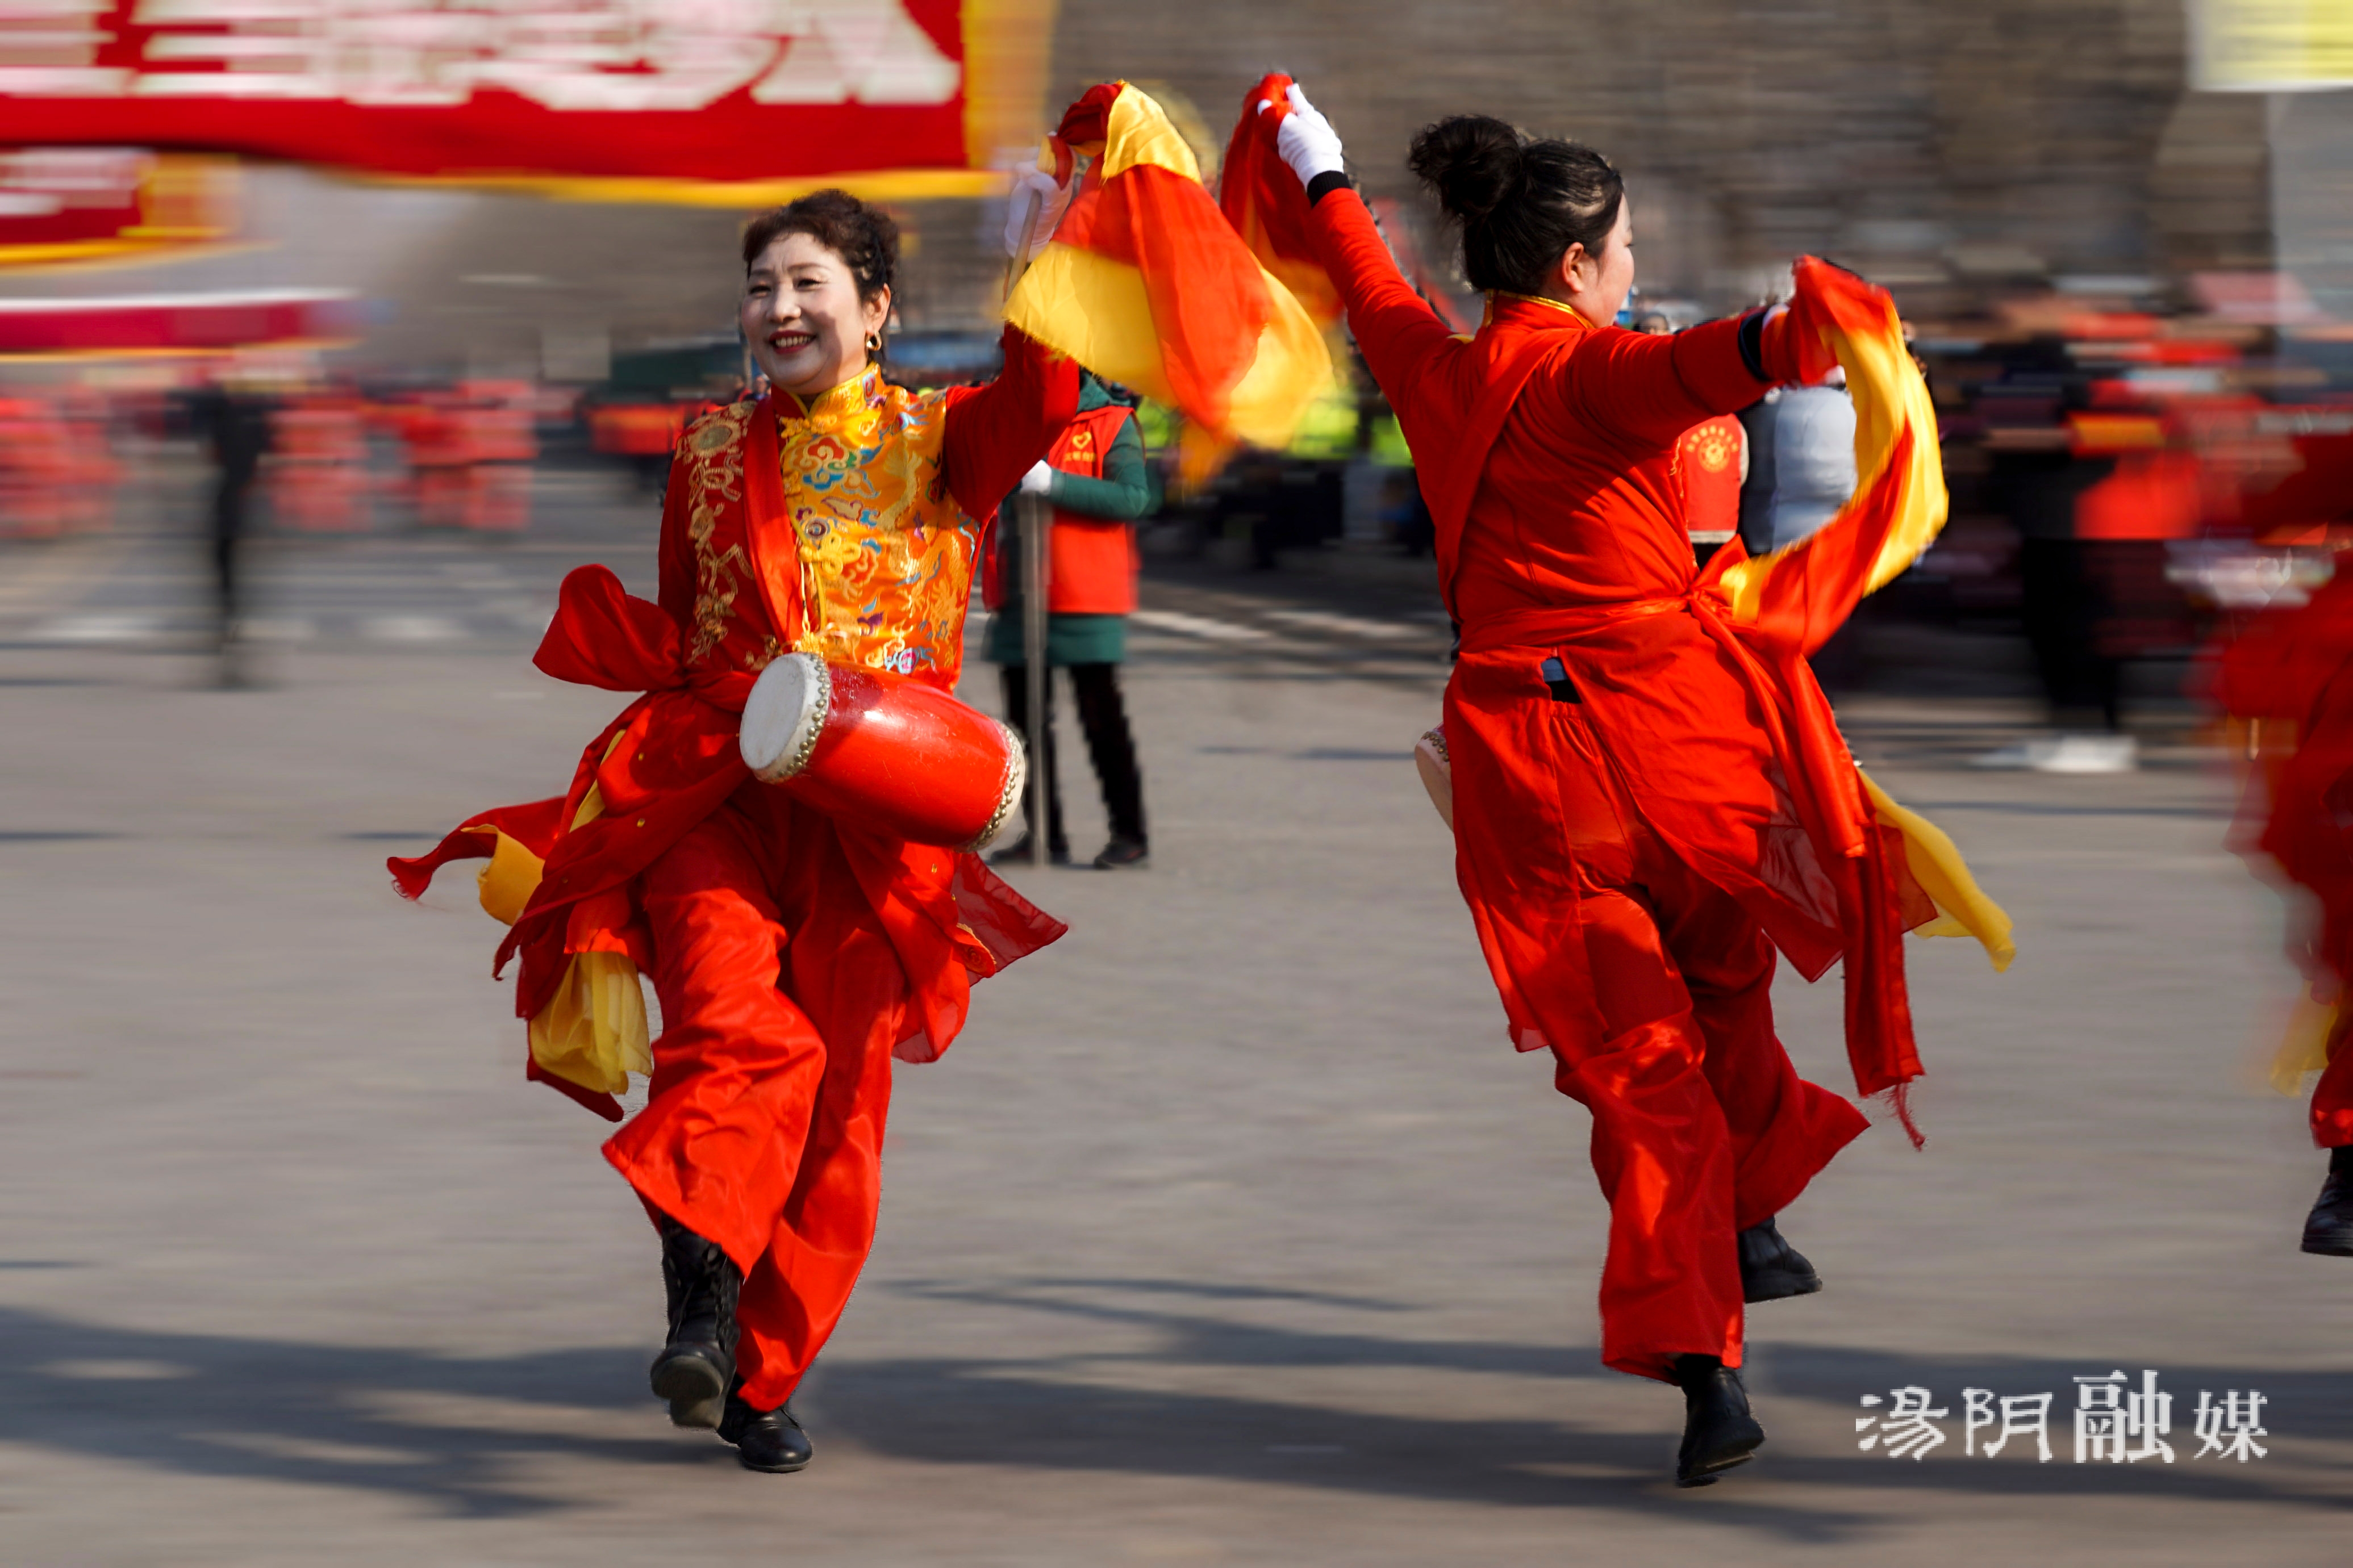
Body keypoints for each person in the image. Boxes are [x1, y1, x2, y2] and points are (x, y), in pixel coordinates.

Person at [1270, 90, 1941, 1487]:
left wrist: (1317, 167)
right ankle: (1734, 1249)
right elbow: (1743, 354)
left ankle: (1707, 1351)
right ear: (1576, 267)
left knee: (1642, 1068)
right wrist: (1832, 327)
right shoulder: (1596, 377)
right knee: (1717, 1003)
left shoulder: (1431, 369)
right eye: (1624, 245)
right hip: (1682, 754)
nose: (1632, 265)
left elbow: (1365, 276)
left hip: (1530, 774)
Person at [389, 191, 1077, 1473]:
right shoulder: (706, 448)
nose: (780, 310)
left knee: (843, 1111)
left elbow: (1045, 393)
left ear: (875, 309)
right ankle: (699, 1307)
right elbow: (681, 619)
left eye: (809, 284)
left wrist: (1043, 253)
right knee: (730, 1031)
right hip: (716, 792)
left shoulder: (949, 442)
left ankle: (759, 1372)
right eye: (762, 288)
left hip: (875, 813)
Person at [984, 369, 1153, 869]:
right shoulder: (1015, 418)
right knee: (1025, 725)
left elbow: (1133, 498)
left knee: (1102, 720)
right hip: (1022, 593)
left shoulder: (1111, 422)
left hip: (1084, 595)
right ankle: (1045, 832)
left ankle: (1130, 833)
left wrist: (1054, 483)